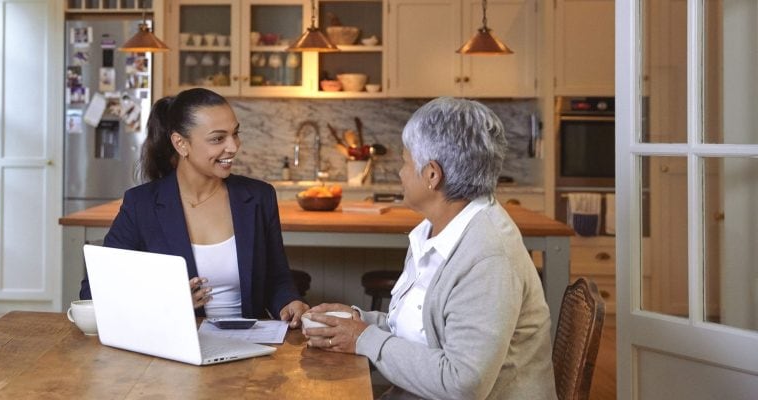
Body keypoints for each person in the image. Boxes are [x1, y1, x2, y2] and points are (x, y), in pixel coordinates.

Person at [303, 97, 556, 399]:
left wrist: (364, 338)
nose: (400, 173)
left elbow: (463, 383)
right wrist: (359, 322)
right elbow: (425, 332)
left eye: (405, 161)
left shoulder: (489, 257)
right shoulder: (437, 230)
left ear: (432, 175)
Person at [79, 88, 310, 327]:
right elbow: (93, 292)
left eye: (235, 134)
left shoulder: (259, 197)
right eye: (218, 139)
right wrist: (167, 303)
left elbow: (277, 277)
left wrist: (289, 302)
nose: (233, 147)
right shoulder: (142, 205)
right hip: (174, 347)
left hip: (251, 346)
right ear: (181, 144)